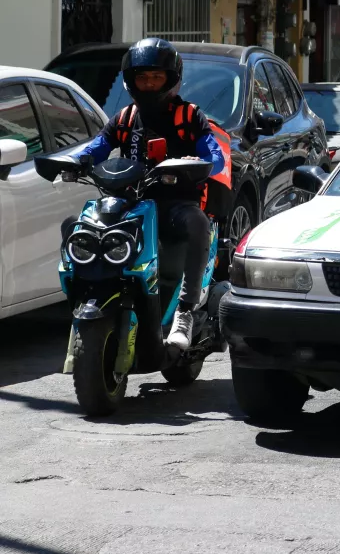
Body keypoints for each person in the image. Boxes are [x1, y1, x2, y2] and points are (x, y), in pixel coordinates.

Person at [78, 38, 228, 350]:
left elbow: (216, 157)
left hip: (175, 204)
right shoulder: (125, 118)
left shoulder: (189, 116)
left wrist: (196, 164)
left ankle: (185, 310)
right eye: (142, 78)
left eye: (156, 78)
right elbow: (97, 147)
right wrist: (76, 161)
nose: (148, 84)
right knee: (82, 224)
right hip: (130, 203)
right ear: (131, 81)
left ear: (171, 79)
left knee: (198, 223)